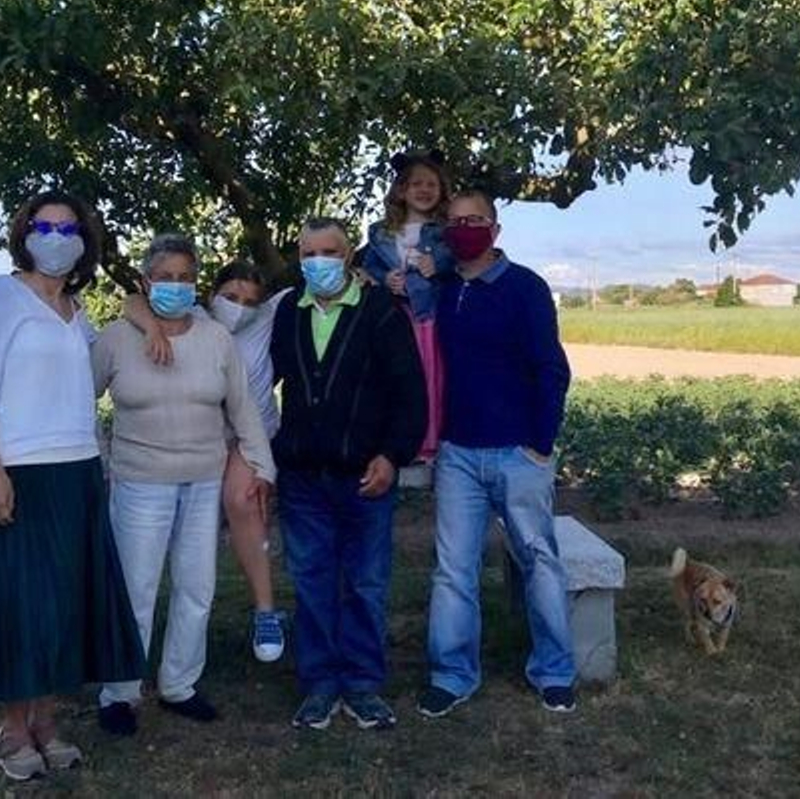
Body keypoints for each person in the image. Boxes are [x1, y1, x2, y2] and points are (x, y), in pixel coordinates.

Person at [0, 194, 144, 781]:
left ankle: (47, 721)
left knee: (66, 603)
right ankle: (13, 727)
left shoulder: (76, 309)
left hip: (79, 469)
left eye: (69, 228)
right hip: (23, 472)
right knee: (22, 606)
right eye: (45, 226)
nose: (56, 236)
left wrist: (138, 308)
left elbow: (86, 386)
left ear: (84, 240)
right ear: (25, 234)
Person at [95, 235, 276, 734]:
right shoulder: (115, 338)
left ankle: (180, 685)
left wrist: (262, 466)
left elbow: (242, 408)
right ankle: (120, 691)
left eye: (185, 277)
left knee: (197, 586)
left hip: (202, 480)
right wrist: (99, 459)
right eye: (164, 277)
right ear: (145, 281)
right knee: (136, 589)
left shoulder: (215, 339)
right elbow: (79, 403)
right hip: (139, 483)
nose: (175, 286)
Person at [418, 189, 577, 719]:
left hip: (518, 453)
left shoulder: (525, 287)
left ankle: (554, 672)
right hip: (459, 453)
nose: (465, 228)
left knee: (540, 562)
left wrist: (540, 443)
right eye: (456, 221)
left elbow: (552, 368)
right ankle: (452, 674)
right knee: (453, 570)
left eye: (476, 220)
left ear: (496, 229)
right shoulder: (440, 289)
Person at [270, 217, 426, 730]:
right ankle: (318, 684)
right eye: (308, 252)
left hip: (365, 475)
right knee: (311, 581)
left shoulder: (380, 311)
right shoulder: (287, 311)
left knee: (365, 583)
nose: (319, 261)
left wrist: (391, 455)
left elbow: (409, 394)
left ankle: (361, 684)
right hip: (302, 477)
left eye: (330, 251)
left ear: (349, 258)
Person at [206, 261, 293, 662]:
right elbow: (136, 301)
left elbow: (325, 279)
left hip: (253, 434)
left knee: (243, 500)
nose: (239, 307)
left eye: (249, 301)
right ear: (212, 294)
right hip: (202, 435)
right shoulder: (190, 317)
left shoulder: (270, 315)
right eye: (230, 297)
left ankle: (265, 611)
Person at [360, 150, 455, 462]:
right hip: (395, 314)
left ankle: (427, 443)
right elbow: (369, 267)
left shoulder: (445, 232)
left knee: (429, 377)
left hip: (427, 316)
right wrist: (386, 279)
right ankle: (393, 439)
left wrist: (437, 262)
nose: (424, 190)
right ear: (401, 190)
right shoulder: (381, 233)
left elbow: (457, 259)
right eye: (416, 184)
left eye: (431, 184)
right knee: (395, 378)